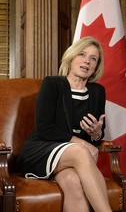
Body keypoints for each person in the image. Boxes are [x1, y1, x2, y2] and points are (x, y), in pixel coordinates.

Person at [17, 36, 112, 212]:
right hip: (41, 150)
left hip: (74, 159)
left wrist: (96, 133)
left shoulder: (98, 92)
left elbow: (97, 136)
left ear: (96, 67)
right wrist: (82, 142)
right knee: (80, 150)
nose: (87, 61)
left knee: (73, 183)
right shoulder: (53, 84)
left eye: (93, 59)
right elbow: (44, 128)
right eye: (82, 54)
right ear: (71, 57)